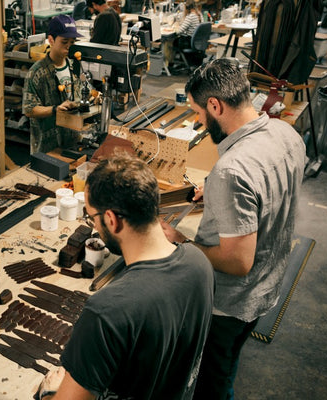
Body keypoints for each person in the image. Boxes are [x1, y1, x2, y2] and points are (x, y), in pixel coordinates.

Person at [161, 59, 307, 399]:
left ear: (216, 105)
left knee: (214, 381)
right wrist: (214, 194)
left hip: (229, 304)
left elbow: (237, 261)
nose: (198, 120)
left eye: (198, 112)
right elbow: (268, 197)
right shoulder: (285, 133)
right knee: (229, 360)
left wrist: (182, 241)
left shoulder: (232, 170)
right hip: (267, 286)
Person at [37, 153, 215, 400]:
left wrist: (50, 392)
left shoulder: (107, 312)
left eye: (92, 217)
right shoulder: (200, 264)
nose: (94, 226)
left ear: (111, 219)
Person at [23, 15, 83, 154]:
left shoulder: (74, 65)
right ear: (51, 40)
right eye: (64, 41)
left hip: (72, 140)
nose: (69, 46)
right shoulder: (37, 72)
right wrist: (55, 109)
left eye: (72, 42)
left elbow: (79, 92)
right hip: (47, 146)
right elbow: (29, 109)